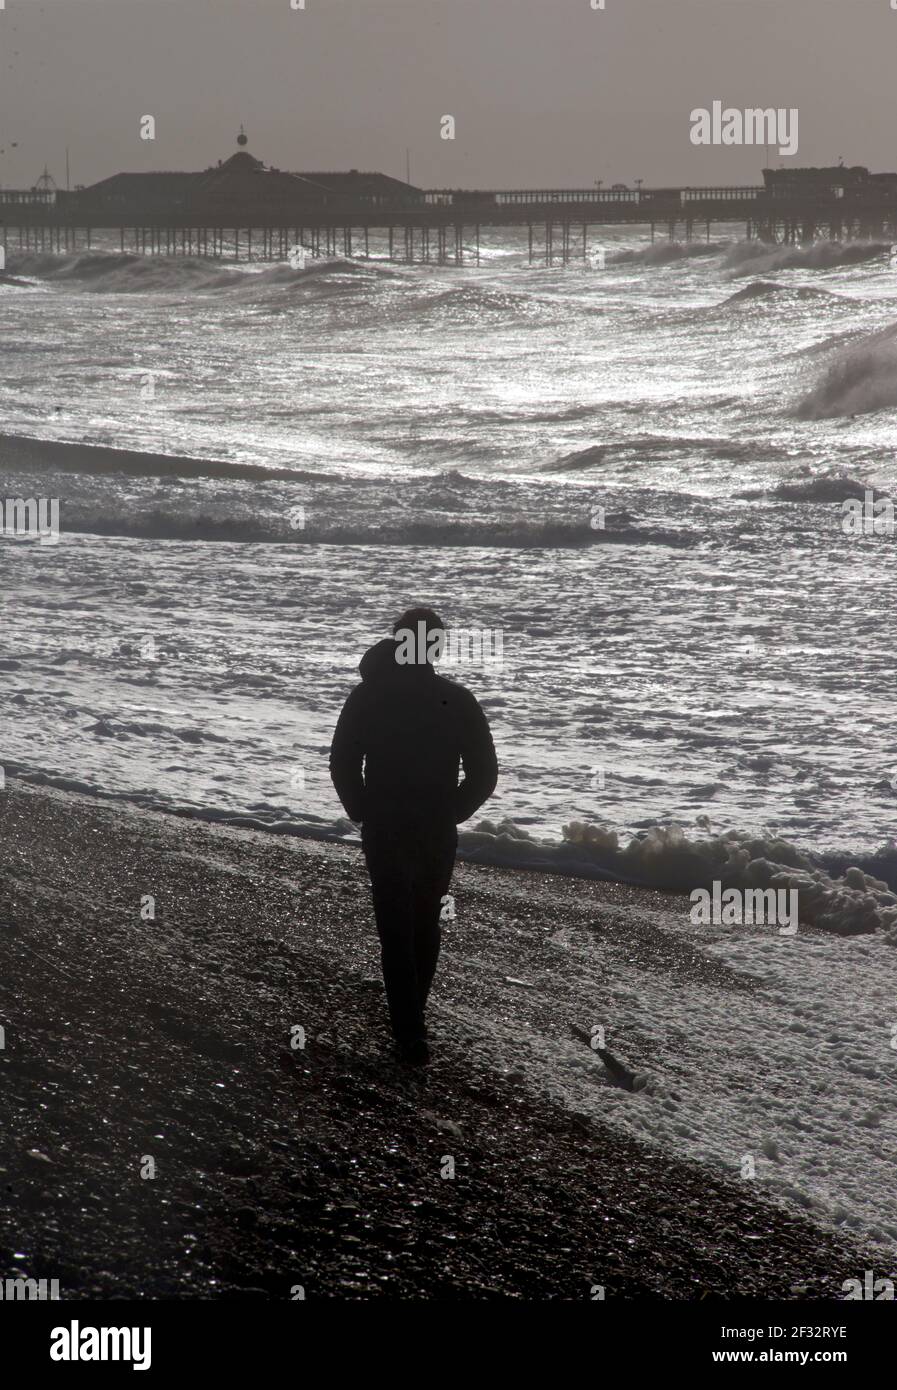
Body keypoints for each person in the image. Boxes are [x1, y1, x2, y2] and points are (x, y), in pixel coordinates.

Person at [329, 608, 498, 1065]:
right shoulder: (456, 700)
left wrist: (362, 808)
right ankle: (411, 1025)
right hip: (433, 828)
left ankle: (409, 1028)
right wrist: (451, 812)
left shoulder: (368, 697)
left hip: (387, 823)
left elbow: (342, 761)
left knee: (396, 926)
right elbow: (485, 775)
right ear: (437, 647)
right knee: (423, 922)